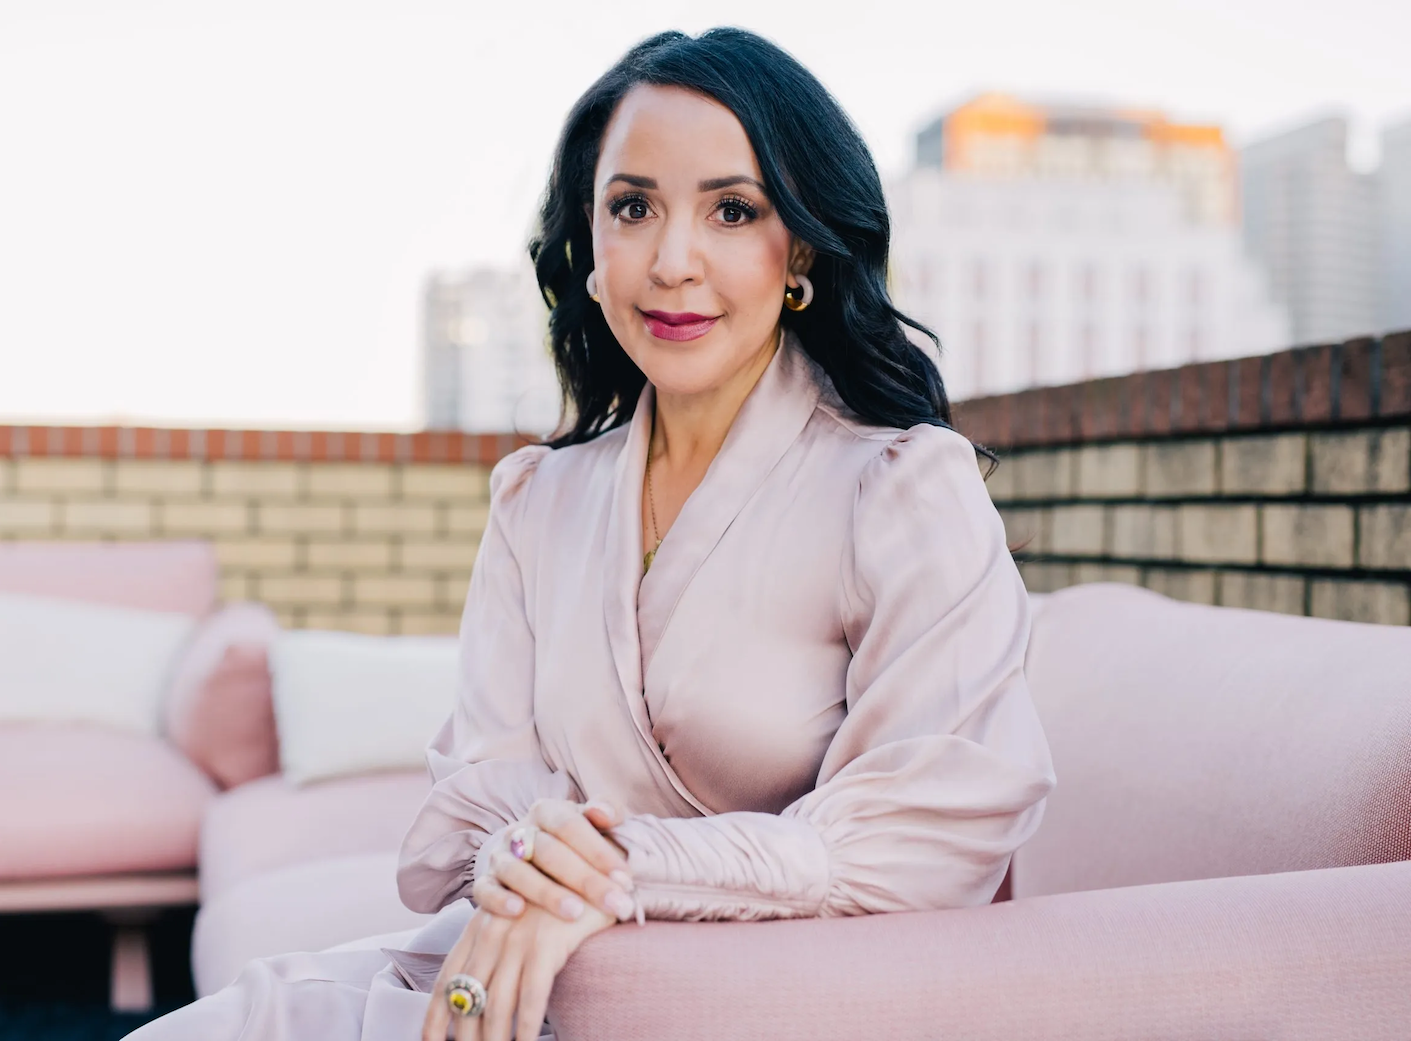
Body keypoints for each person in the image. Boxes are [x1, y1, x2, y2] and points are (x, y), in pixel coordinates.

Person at [126, 26, 1055, 1041]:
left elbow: (930, 830)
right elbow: (476, 803)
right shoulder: (537, 502)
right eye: (633, 207)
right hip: (543, 979)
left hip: (778, 1007)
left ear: (800, 251)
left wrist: (614, 870)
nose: (672, 261)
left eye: (732, 211)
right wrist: (542, 871)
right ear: (589, 243)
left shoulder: (901, 487)